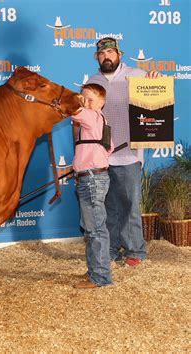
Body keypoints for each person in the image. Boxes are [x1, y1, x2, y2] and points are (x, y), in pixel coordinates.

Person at [86, 37, 161, 267]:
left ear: (120, 54)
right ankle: (110, 249)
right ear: (97, 58)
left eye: (110, 52)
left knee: (130, 204)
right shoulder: (92, 82)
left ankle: (135, 251)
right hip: (102, 155)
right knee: (108, 206)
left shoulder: (137, 76)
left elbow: (156, 100)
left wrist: (154, 82)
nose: (106, 56)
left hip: (128, 152)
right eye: (101, 54)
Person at [72, 84, 113, 289]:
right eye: (84, 99)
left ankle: (100, 278)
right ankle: (95, 271)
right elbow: (110, 148)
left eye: (90, 99)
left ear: (101, 103)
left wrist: (78, 103)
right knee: (92, 229)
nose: (86, 103)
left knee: (95, 230)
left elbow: (74, 110)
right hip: (91, 178)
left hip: (92, 180)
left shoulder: (92, 117)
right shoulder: (100, 122)